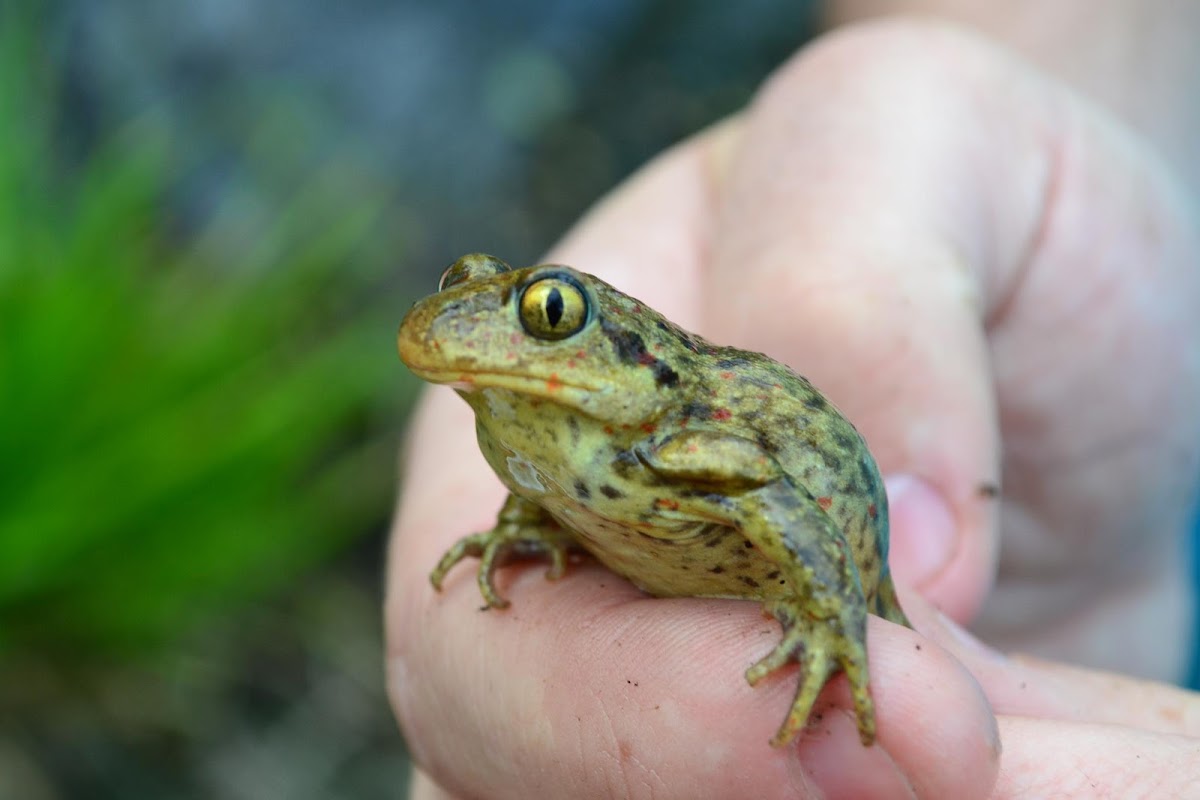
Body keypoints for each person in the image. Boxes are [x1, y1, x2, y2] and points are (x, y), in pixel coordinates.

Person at [386, 3, 1200, 797]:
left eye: (547, 316)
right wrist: (525, 527)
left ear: (618, 354)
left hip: (851, 582)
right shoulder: (510, 430)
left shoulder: (677, 438)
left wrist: (826, 613)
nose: (483, 328)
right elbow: (537, 480)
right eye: (463, 289)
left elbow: (773, 497)